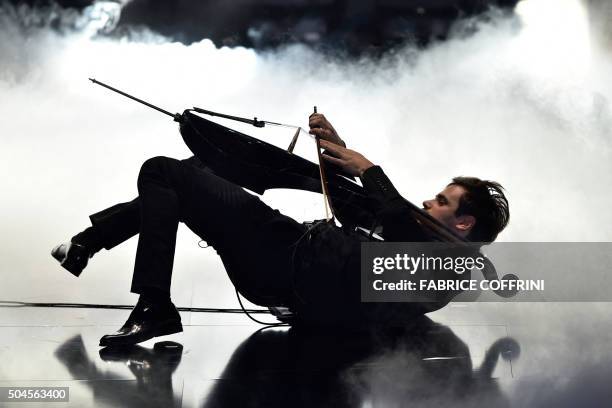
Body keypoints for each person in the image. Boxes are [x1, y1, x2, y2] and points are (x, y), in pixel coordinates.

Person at [51, 113, 509, 347]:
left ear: (464, 223)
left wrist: (370, 168)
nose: (429, 202)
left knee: (161, 171)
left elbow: (392, 241)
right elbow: (362, 214)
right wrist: (336, 148)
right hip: (280, 255)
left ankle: (153, 303)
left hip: (279, 256)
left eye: (442, 201)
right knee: (204, 168)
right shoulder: (430, 248)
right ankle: (88, 242)